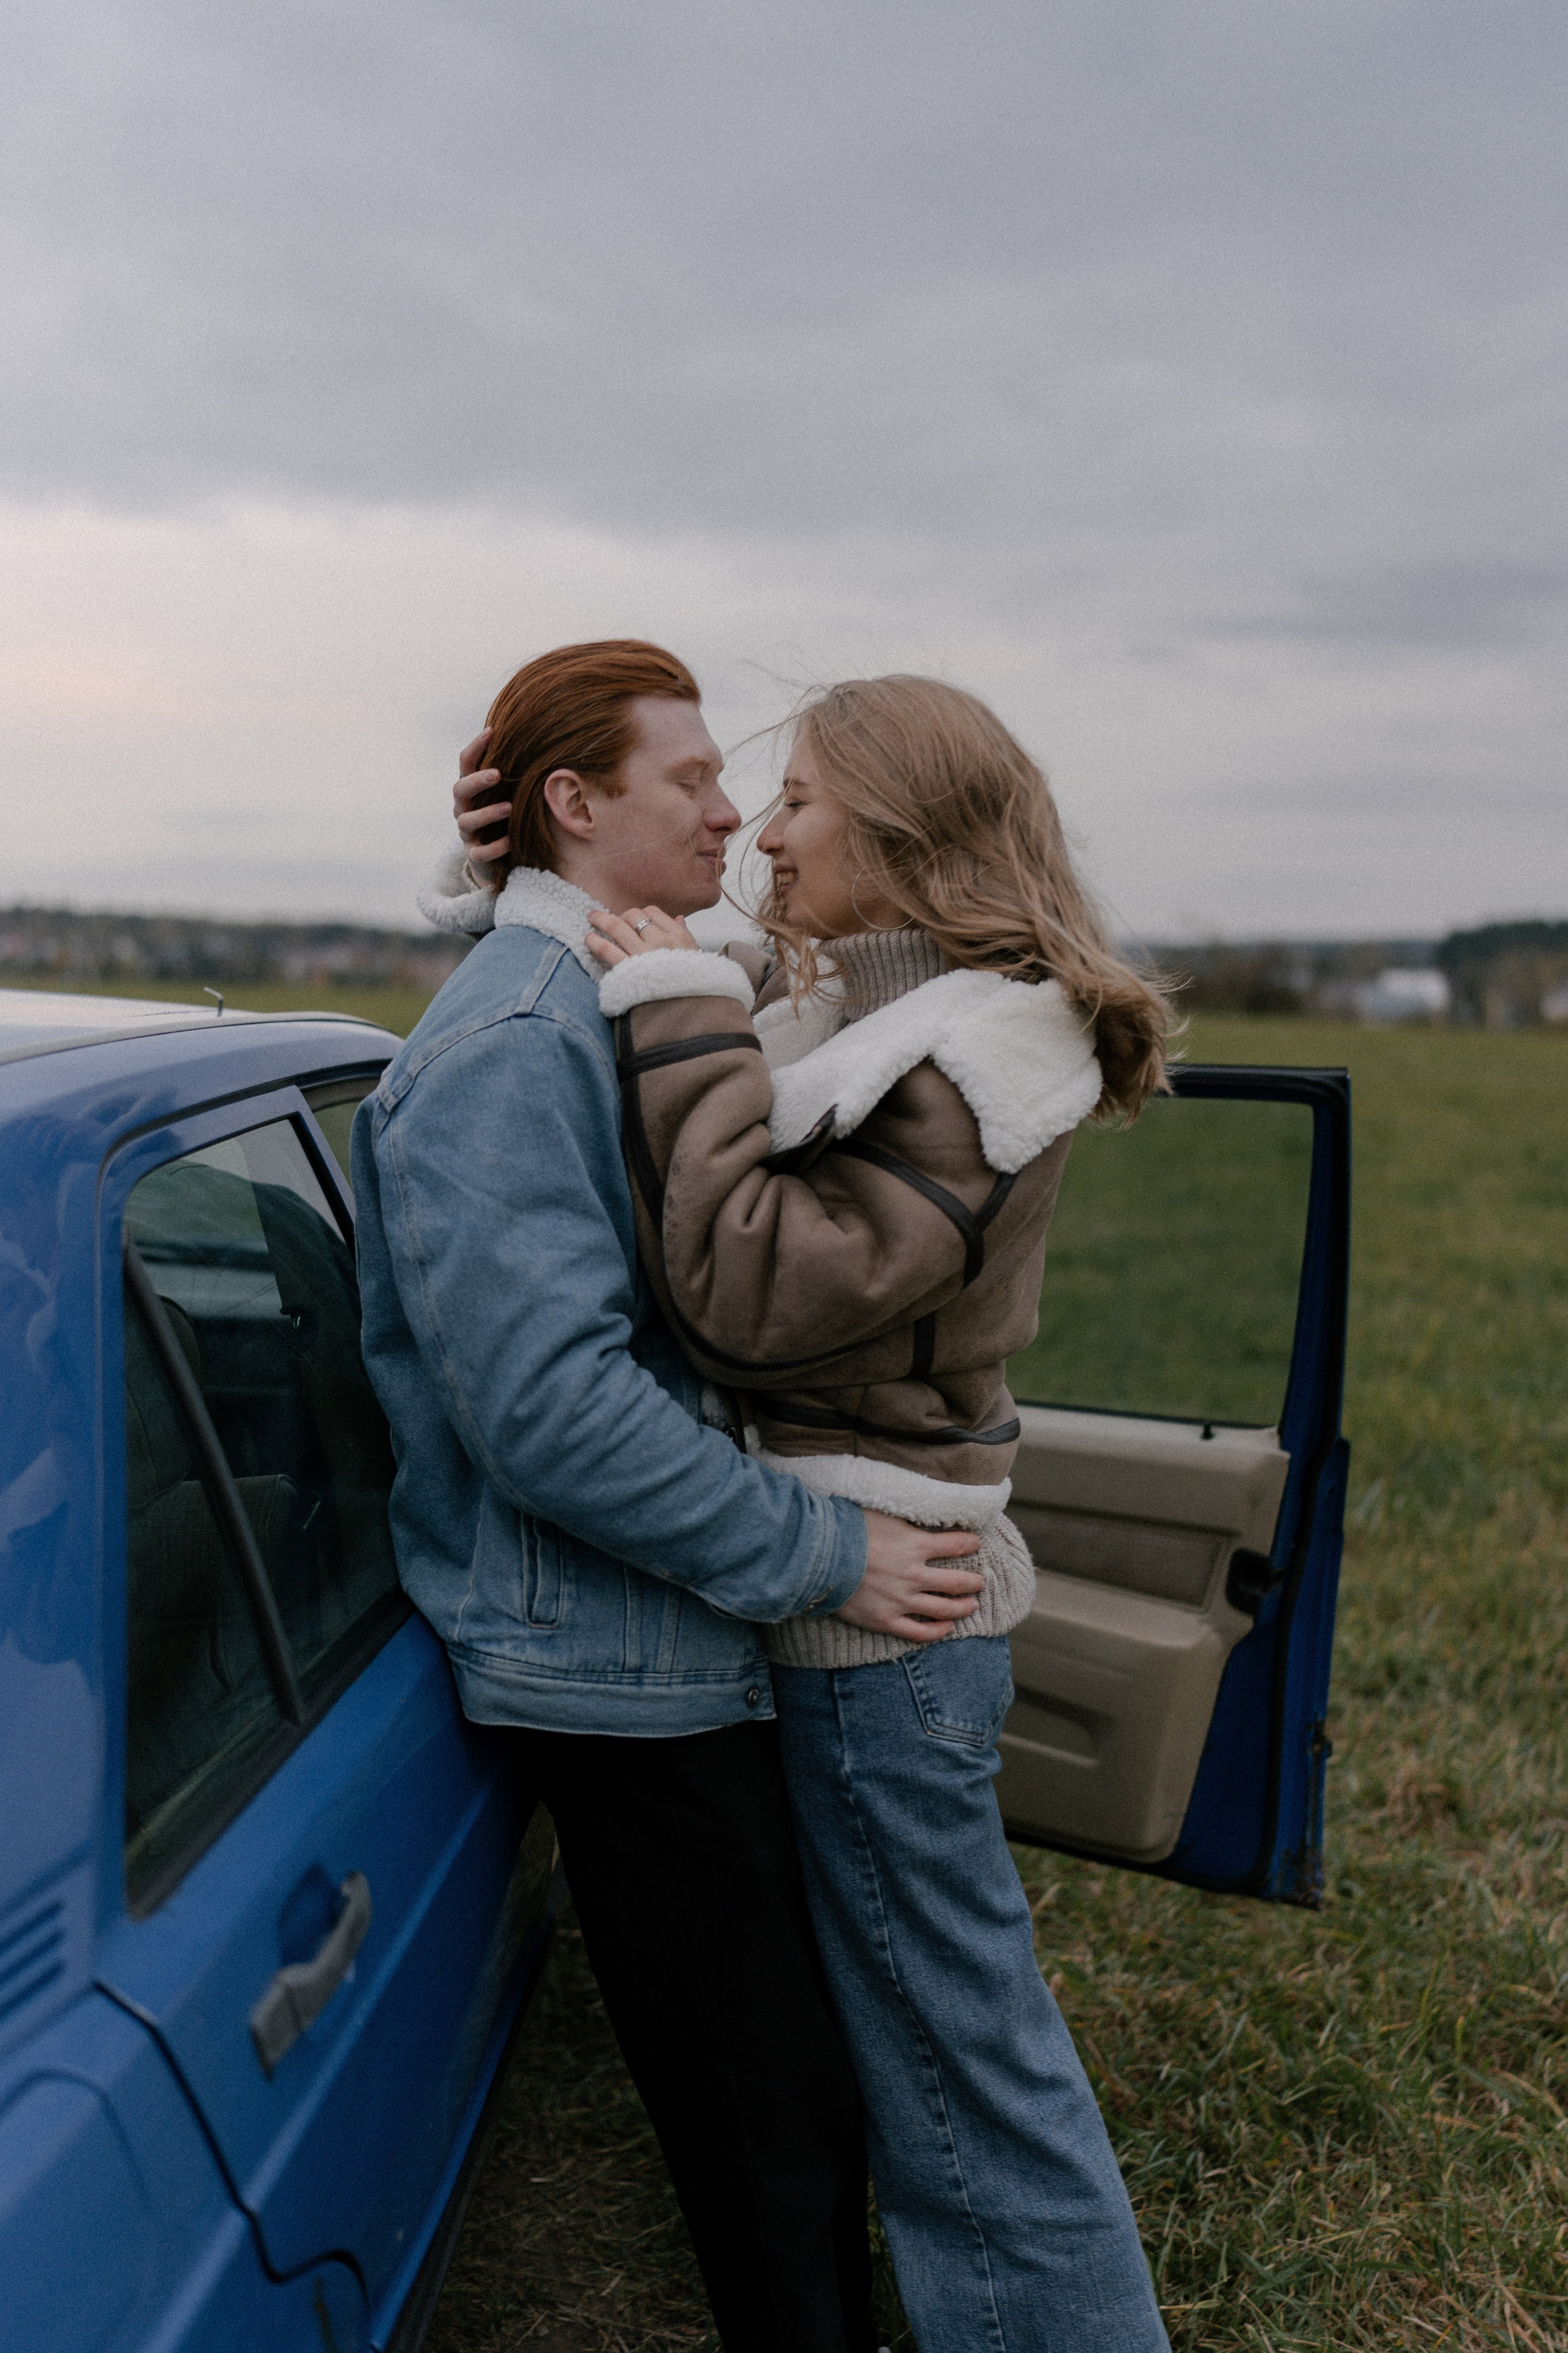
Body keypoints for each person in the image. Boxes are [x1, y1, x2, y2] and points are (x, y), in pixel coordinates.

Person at [353, 640, 986, 2353]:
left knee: (797, 2095)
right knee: (767, 2137)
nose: (732, 807)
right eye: (694, 778)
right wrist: (825, 1553)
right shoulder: (507, 1044)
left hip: (672, 1635)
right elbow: (552, 1411)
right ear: (576, 804)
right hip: (621, 1673)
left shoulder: (606, 990)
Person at [570, 674, 1177, 2351]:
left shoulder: (977, 1067)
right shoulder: (891, 1021)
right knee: (932, 2025)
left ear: (904, 838)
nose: (764, 832)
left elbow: (751, 1289)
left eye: (804, 802)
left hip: (879, 1632)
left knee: (956, 2057)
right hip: (883, 1593)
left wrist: (681, 1014)